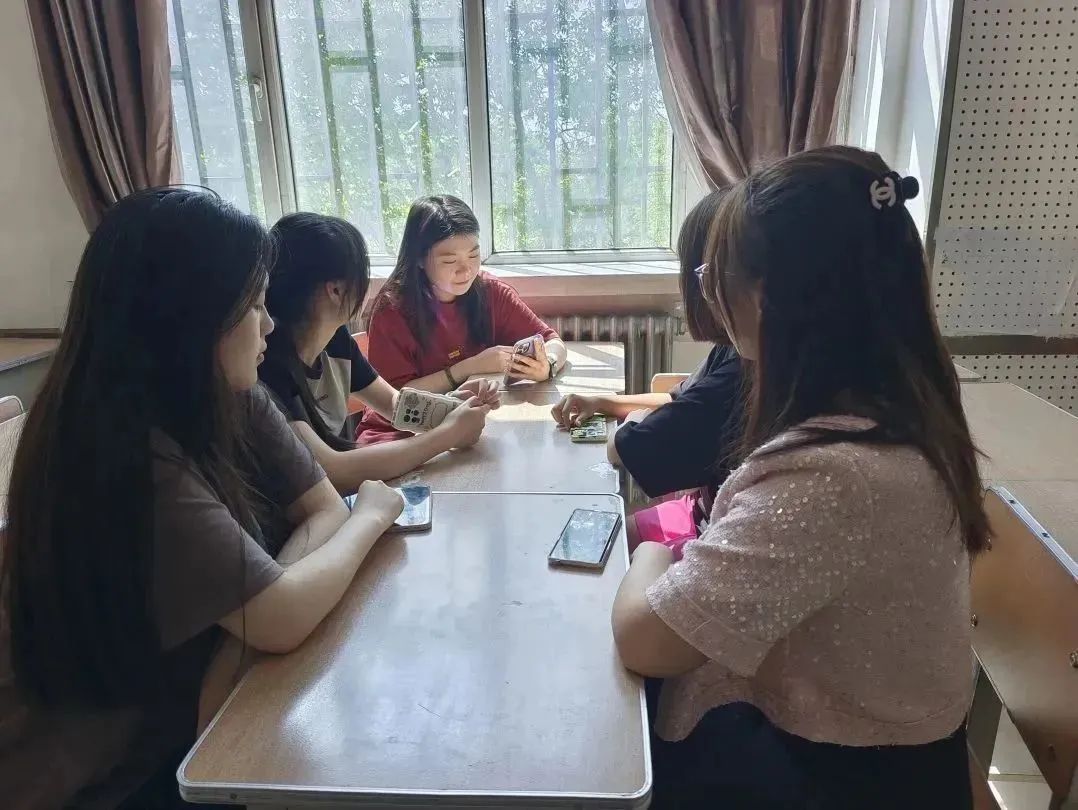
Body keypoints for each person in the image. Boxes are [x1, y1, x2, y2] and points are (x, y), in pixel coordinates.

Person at [0, 189, 406, 808]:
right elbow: (284, 613)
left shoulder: (231, 387)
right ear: (187, 319)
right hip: (117, 777)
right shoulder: (125, 455)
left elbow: (321, 507)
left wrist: (251, 623)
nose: (269, 324)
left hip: (200, 715)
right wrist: (370, 517)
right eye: (253, 305)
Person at [611, 147, 985, 809]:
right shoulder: (899, 411)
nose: (707, 289)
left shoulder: (835, 479)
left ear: (764, 296)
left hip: (846, 780)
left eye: (713, 273)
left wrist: (653, 556)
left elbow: (647, 641)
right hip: (878, 755)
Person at [551, 190, 743, 558]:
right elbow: (675, 398)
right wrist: (604, 402)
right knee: (599, 536)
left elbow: (622, 448)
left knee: (600, 549)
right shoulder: (732, 347)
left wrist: (634, 419)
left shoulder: (738, 378)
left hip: (713, 535)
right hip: (698, 510)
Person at [260, 212, 498, 493]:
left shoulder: (335, 339)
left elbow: (396, 405)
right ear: (336, 290)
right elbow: (331, 472)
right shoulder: (268, 362)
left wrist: (450, 406)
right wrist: (448, 435)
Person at [358, 195, 567, 444]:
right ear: (419, 259)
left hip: (467, 426)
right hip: (396, 433)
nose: (466, 270)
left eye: (474, 255)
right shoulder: (392, 311)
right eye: (450, 261)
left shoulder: (490, 293)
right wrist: (468, 368)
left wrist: (548, 365)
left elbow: (553, 341)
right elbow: (395, 399)